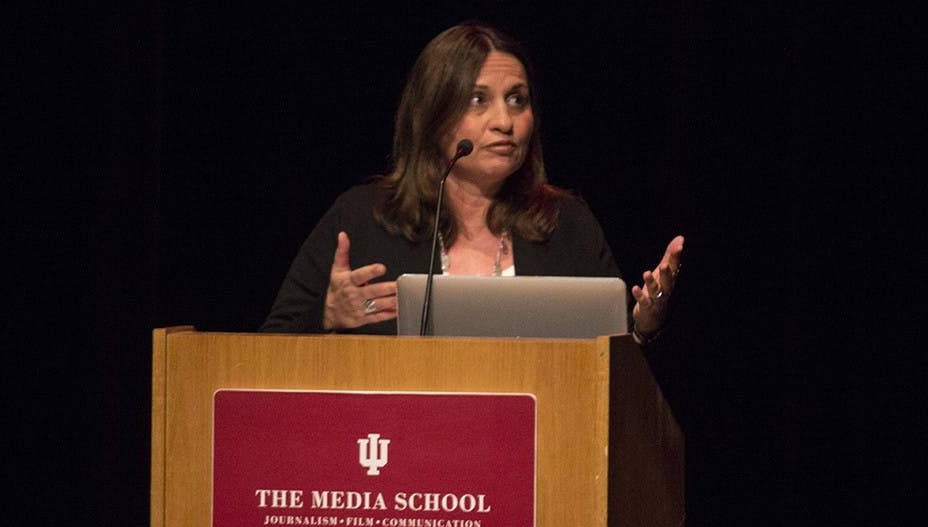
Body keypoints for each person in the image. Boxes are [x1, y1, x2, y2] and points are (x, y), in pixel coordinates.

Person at [261, 23, 683, 342]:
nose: (504, 122)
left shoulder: (566, 224)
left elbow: (608, 370)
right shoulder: (363, 215)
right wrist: (325, 316)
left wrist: (642, 328)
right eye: (478, 100)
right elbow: (266, 345)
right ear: (433, 115)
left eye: (517, 99)